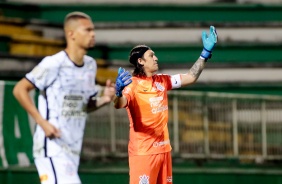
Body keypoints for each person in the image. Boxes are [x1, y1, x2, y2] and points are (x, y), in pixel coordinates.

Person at [13, 11, 115, 184]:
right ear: (71, 34)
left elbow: (85, 105)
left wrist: (104, 99)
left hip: (73, 148)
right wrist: (42, 122)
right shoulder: (54, 63)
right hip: (52, 146)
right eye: (87, 30)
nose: (93, 34)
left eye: (93, 30)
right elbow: (19, 89)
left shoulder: (90, 65)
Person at [113, 26, 217, 184]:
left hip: (164, 150)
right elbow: (119, 104)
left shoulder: (162, 80)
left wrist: (204, 54)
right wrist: (118, 92)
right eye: (151, 55)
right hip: (144, 153)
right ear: (140, 61)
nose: (156, 58)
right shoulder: (131, 85)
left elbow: (190, 77)